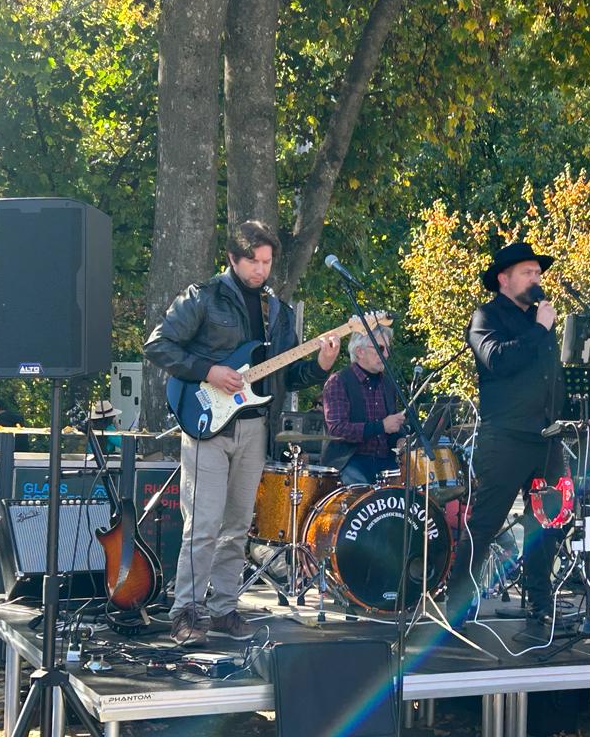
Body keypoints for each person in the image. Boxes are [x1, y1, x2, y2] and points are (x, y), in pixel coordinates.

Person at [144, 220, 339, 646]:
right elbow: (158, 345)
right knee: (204, 523)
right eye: (253, 261)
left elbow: (290, 375)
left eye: (267, 262)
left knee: (236, 525)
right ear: (233, 258)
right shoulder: (203, 297)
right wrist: (209, 370)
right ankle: (186, 610)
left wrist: (321, 364)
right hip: (206, 425)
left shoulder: (279, 313)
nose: (261, 270)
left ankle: (224, 608)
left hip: (254, 427)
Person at [447, 242, 566, 628]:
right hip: (506, 436)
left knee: (546, 522)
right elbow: (498, 360)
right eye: (528, 272)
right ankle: (457, 603)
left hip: (545, 437)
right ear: (504, 278)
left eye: (538, 272)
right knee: (485, 523)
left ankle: (539, 602)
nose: (536, 278)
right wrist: (538, 330)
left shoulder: (540, 319)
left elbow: (549, 375)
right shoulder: (486, 317)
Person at [322, 325, 406, 485]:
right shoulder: (339, 381)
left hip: (385, 464)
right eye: (380, 348)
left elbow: (391, 427)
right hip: (348, 461)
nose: (386, 354)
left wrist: (400, 439)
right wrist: (381, 426)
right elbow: (337, 429)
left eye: (387, 348)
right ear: (360, 351)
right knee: (361, 493)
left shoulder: (388, 385)